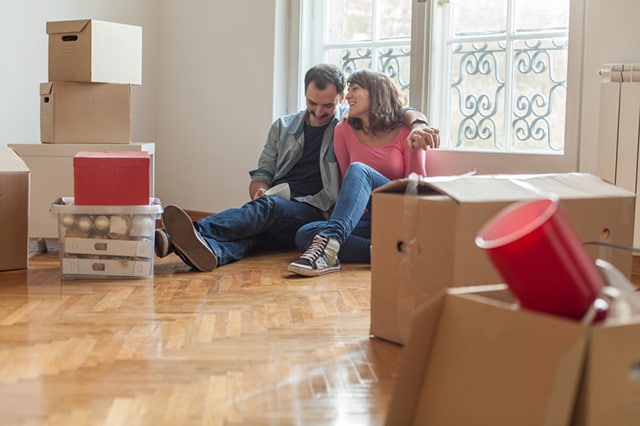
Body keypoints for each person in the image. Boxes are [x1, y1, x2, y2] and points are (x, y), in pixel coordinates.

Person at [155, 64, 436, 272]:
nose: (318, 111)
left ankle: (181, 234)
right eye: (312, 103)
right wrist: (260, 190)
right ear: (304, 95)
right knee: (278, 228)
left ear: (339, 99)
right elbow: (263, 171)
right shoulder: (301, 127)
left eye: (328, 104)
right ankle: (214, 251)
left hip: (325, 205)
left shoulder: (353, 125)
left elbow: (400, 114)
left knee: (272, 210)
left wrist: (418, 124)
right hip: (312, 209)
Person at [288, 69, 439, 276]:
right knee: (305, 233)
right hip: (367, 220)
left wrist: (416, 145)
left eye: (354, 89)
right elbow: (347, 189)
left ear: (376, 92)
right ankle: (388, 252)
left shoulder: (407, 131)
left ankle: (329, 250)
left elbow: (417, 190)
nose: (347, 96)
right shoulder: (343, 131)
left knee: (360, 170)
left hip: (399, 211)